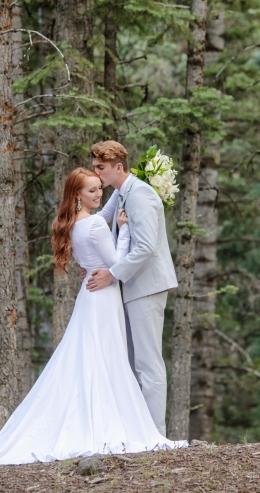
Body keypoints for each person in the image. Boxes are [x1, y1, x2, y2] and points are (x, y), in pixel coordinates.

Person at [0, 168, 185, 471]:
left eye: (100, 188)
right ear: (77, 196)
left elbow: (101, 221)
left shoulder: (74, 224)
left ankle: (105, 419)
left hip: (90, 295)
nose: (99, 194)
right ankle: (110, 425)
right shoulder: (96, 224)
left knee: (94, 358)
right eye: (92, 190)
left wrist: (122, 185)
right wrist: (123, 230)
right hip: (103, 295)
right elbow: (116, 262)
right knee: (106, 358)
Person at [86, 141, 178, 436]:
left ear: (118, 167)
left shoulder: (141, 194)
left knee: (148, 363)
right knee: (132, 362)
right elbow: (98, 222)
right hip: (132, 287)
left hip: (147, 286)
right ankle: (140, 433)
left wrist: (111, 274)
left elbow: (146, 247)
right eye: (94, 167)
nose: (96, 173)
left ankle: (156, 436)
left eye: (100, 167)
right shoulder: (121, 192)